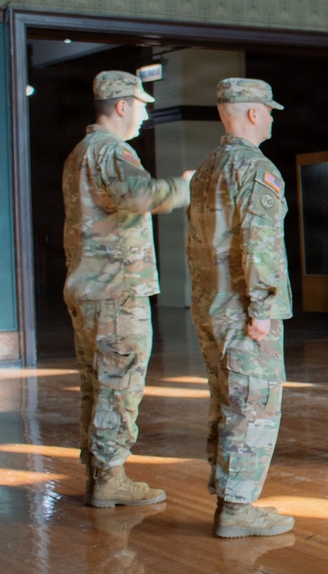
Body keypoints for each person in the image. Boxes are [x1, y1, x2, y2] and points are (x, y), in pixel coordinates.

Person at [64, 70, 192, 508]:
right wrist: (183, 187)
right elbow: (139, 196)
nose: (143, 116)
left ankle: (100, 472)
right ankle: (111, 478)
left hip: (92, 288)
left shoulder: (83, 152)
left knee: (98, 383)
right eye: (141, 106)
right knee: (118, 385)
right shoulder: (111, 151)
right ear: (122, 106)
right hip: (116, 291)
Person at [187, 78, 294, 538]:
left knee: (228, 401)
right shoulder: (255, 168)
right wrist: (262, 306)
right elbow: (260, 243)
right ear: (252, 113)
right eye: (268, 110)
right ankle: (238, 507)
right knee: (254, 404)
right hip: (242, 308)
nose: (271, 116)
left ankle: (229, 496)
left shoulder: (209, 166)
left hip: (211, 304)